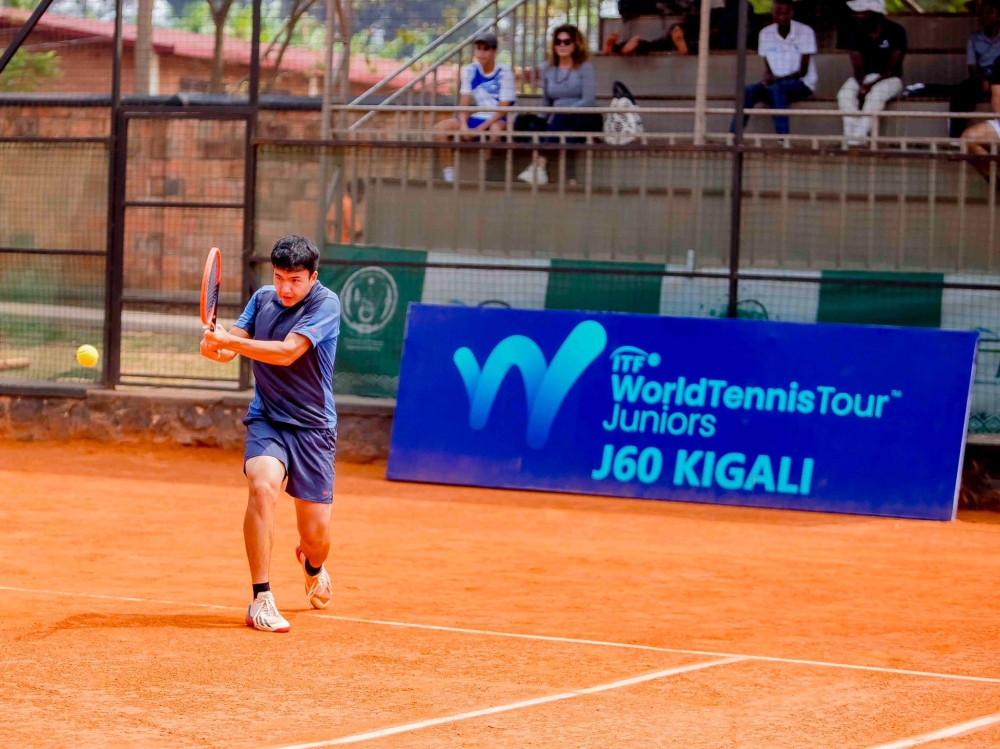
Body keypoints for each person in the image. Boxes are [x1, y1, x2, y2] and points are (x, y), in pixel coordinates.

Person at [201, 235, 341, 633]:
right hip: (268, 419)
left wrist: (229, 343)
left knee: (316, 538)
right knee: (262, 486)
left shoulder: (326, 304)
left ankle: (311, 565)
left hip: (314, 428)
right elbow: (233, 349)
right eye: (279, 277)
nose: (285, 288)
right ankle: (260, 597)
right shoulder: (262, 298)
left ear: (313, 277)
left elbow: (287, 352)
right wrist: (216, 345)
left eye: (295, 280)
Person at [517, 25, 601, 185]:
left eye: (567, 42)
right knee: (527, 121)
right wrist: (541, 120)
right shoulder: (547, 69)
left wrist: (563, 111)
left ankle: (539, 166)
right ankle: (571, 178)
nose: (562, 45)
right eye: (558, 41)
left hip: (585, 115)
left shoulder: (585, 67)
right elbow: (546, 103)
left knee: (562, 117)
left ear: (576, 44)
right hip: (559, 118)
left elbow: (588, 100)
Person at [433, 31, 515, 183]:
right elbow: (464, 104)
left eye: (486, 49)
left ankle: (486, 176)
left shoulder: (504, 72)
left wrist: (479, 129)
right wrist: (464, 125)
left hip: (500, 118)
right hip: (479, 115)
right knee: (439, 129)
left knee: (494, 131)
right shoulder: (470, 70)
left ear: (495, 51)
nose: (481, 53)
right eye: (479, 48)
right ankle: (449, 176)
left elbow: (503, 109)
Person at [733, 0, 817, 135]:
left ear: (792, 14)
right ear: (773, 15)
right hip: (775, 83)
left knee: (776, 89)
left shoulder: (806, 32)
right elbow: (768, 67)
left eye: (786, 13)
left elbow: (803, 71)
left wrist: (777, 80)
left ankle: (783, 139)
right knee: (748, 91)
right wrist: (767, 78)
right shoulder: (765, 33)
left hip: (801, 84)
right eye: (778, 13)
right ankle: (733, 136)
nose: (782, 17)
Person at [836, 0, 906, 143]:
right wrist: (862, 83)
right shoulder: (855, 31)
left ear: (876, 14)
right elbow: (857, 65)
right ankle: (851, 138)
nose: (857, 16)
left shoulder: (896, 31)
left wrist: (870, 85)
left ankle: (856, 140)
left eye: (862, 13)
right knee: (844, 95)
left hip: (890, 79)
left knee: (875, 96)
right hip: (863, 78)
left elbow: (892, 69)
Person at [950, 0, 1000, 139]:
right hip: (983, 78)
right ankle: (955, 138)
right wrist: (983, 80)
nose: (984, 16)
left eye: (990, 12)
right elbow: (972, 67)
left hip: (998, 77)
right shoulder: (974, 39)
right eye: (981, 13)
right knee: (961, 91)